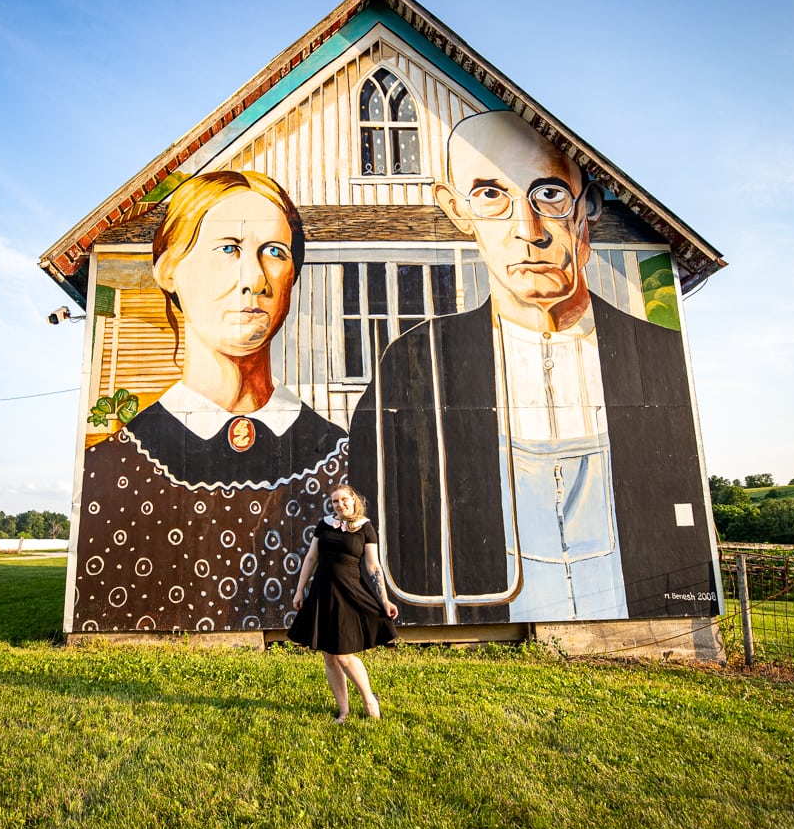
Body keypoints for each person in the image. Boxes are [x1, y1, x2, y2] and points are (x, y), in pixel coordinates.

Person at [348, 110, 715, 626]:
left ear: (587, 206)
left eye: (548, 194)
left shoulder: (650, 355)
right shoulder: (413, 363)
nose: (529, 230)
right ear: (456, 210)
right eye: (491, 195)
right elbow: (376, 505)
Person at [73, 171, 347, 634]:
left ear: (292, 277)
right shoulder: (110, 469)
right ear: (169, 269)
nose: (254, 279)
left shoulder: (339, 457)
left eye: (274, 253)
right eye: (228, 248)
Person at [288, 484, 398, 722]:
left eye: (344, 500)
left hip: (350, 594)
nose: (340, 504)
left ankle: (369, 699)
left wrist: (385, 599)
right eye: (335, 501)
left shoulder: (365, 528)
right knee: (329, 656)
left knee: (344, 655)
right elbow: (311, 558)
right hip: (322, 594)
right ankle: (344, 711)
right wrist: (300, 591)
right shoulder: (324, 525)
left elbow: (373, 566)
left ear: (353, 500)